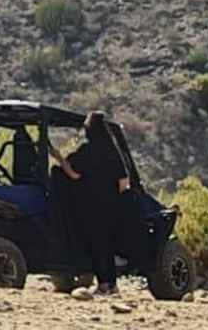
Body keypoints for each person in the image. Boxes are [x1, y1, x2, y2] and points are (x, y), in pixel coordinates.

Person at [51, 111, 131, 295]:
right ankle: (111, 284)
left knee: (96, 245)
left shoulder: (86, 151)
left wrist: (59, 158)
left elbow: (73, 174)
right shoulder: (113, 151)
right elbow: (123, 182)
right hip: (111, 207)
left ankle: (104, 285)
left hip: (91, 206)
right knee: (108, 245)